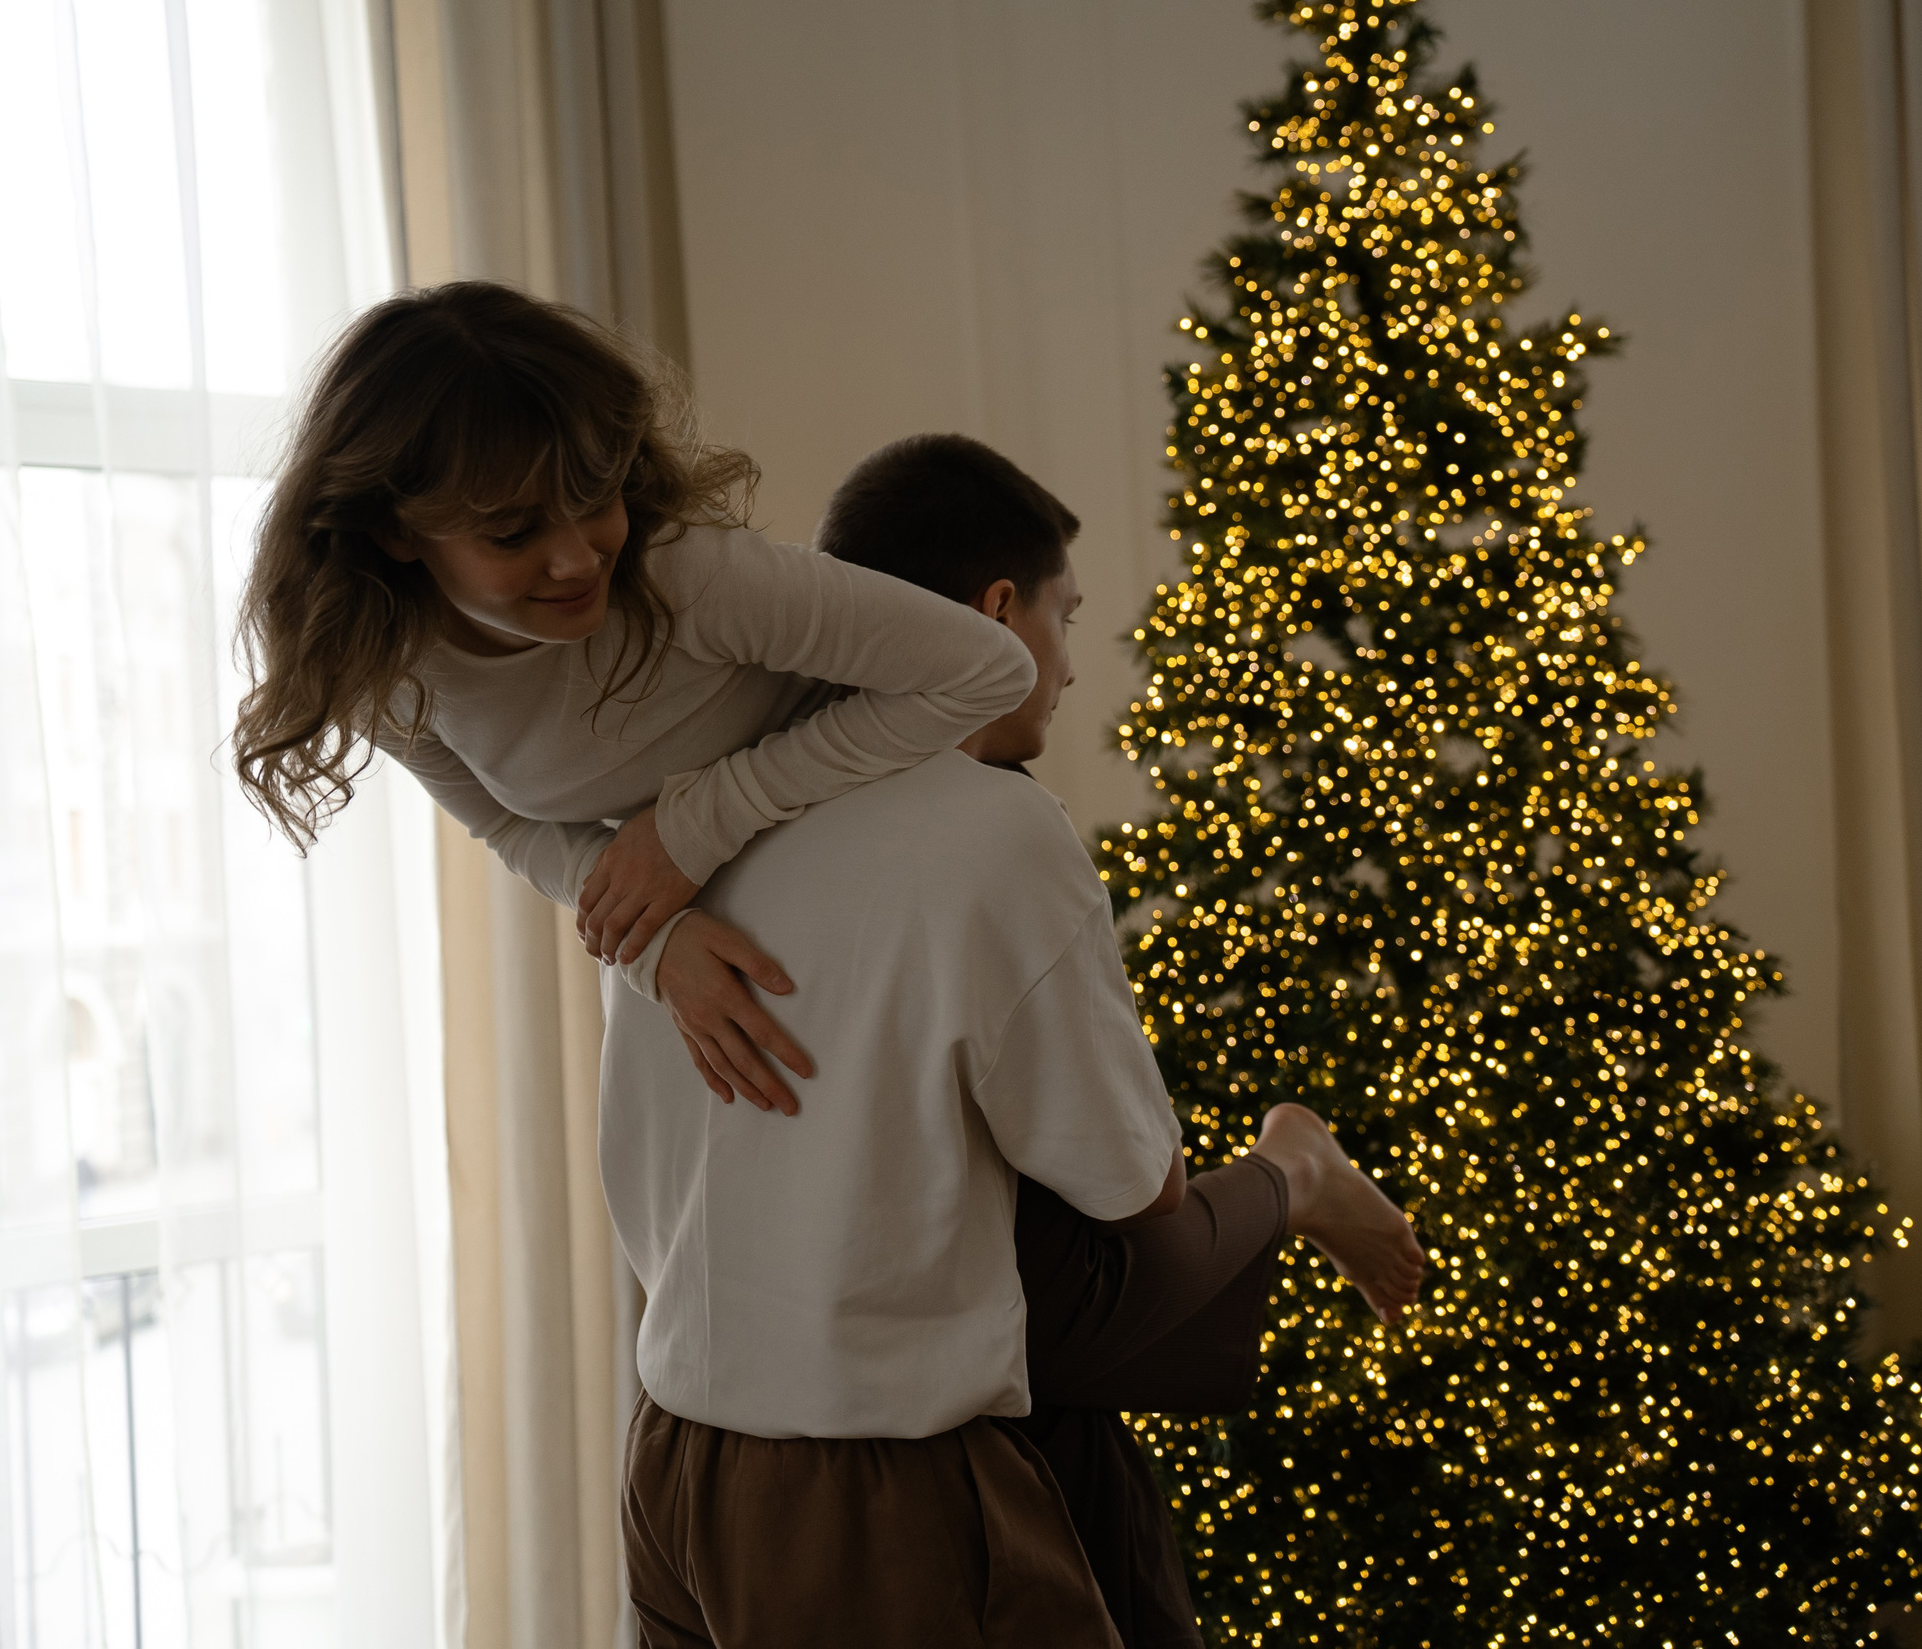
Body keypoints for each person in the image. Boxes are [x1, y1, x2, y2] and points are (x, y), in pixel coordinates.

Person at [231, 284, 1126, 1640]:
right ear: (388, 535)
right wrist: (651, 938)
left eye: (593, 495)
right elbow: (514, 824)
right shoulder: (391, 664)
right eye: (511, 528)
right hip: (707, 1376)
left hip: (849, 807)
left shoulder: (690, 576)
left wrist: (691, 824)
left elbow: (984, 669)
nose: (578, 552)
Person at [811, 434, 1426, 1649]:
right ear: (999, 612)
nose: (1072, 665)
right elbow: (1135, 1184)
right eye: (1065, 617)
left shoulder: (741, 806)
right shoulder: (998, 828)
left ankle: (1290, 1176)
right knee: (1100, 1248)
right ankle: (1292, 1173)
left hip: (816, 1407)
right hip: (983, 1365)